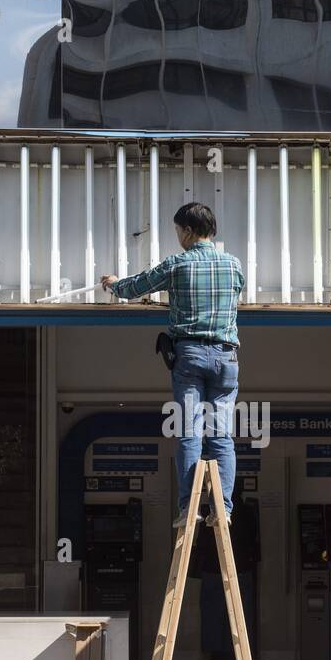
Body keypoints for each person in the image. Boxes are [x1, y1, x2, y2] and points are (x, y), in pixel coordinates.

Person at [101, 202, 244, 527]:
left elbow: (133, 288)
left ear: (189, 231)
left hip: (190, 356)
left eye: (179, 231)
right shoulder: (233, 265)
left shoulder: (177, 265)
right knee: (221, 435)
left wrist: (112, 283)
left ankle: (189, 508)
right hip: (226, 357)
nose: (178, 237)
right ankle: (223, 511)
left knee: (189, 431)